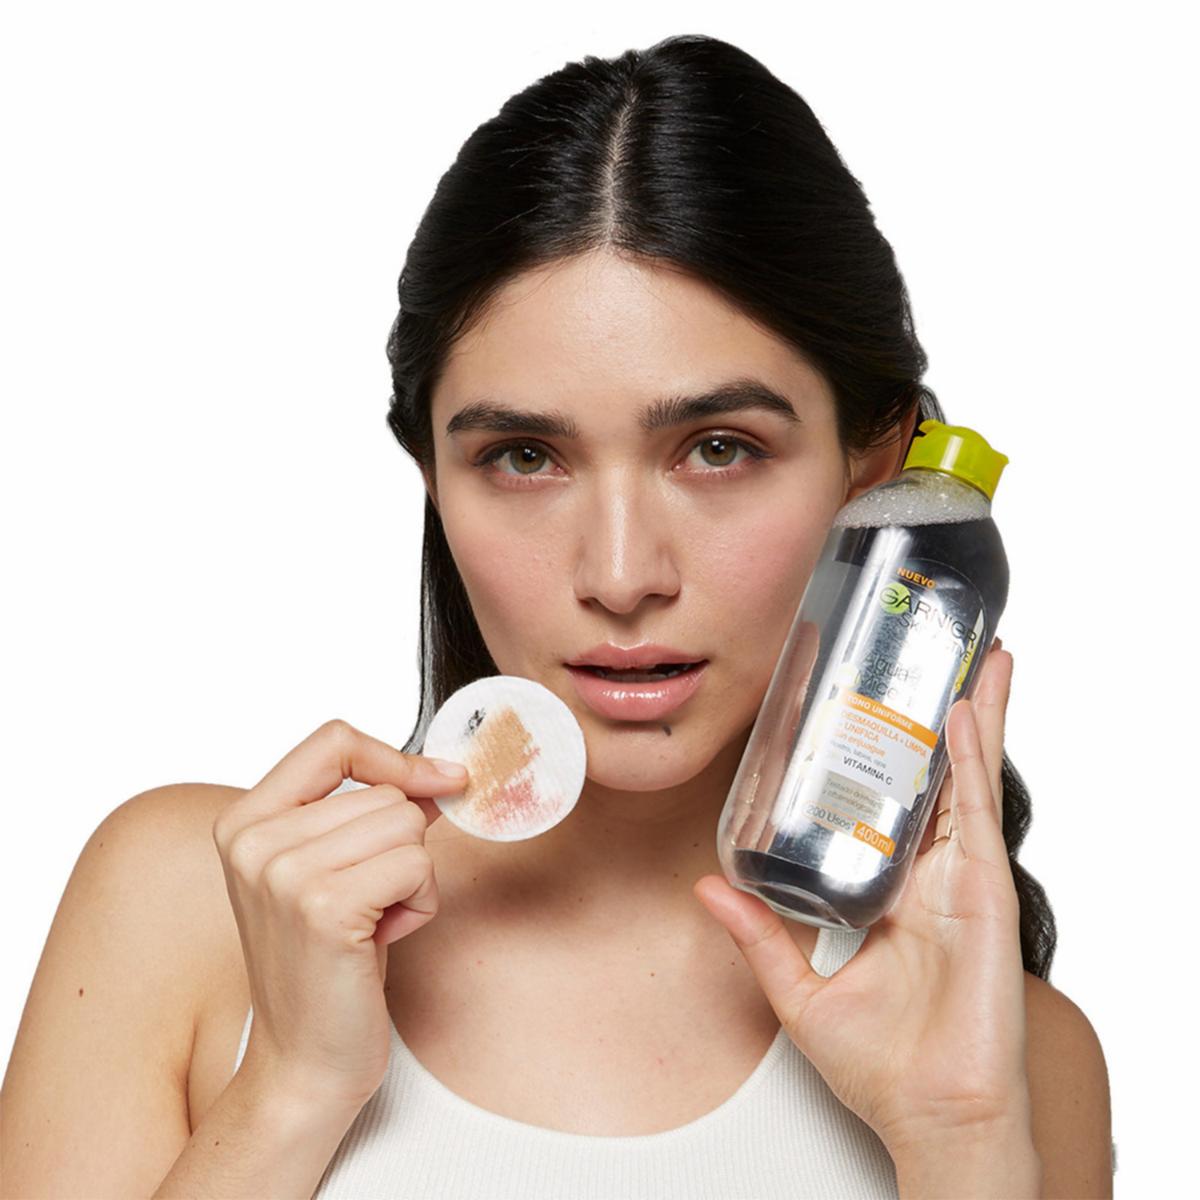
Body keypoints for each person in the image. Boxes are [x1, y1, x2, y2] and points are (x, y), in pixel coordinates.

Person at [1, 33, 1113, 1199]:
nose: (622, 575)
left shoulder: (1010, 1060)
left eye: (719, 449)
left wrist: (957, 1139)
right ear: (435, 479)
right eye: (525, 456)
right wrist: (289, 1089)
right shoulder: (193, 904)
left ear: (872, 477)